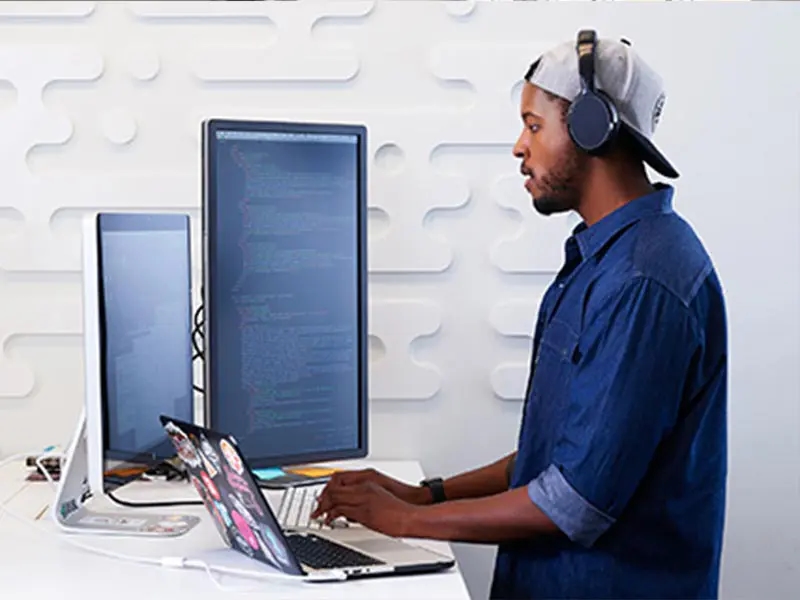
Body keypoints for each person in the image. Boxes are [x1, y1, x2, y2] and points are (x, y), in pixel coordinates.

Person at [311, 30, 728, 600]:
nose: (518, 147)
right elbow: (553, 457)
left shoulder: (645, 283)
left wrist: (403, 523)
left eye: (534, 125)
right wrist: (425, 495)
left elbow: (573, 500)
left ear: (590, 128)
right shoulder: (601, 261)